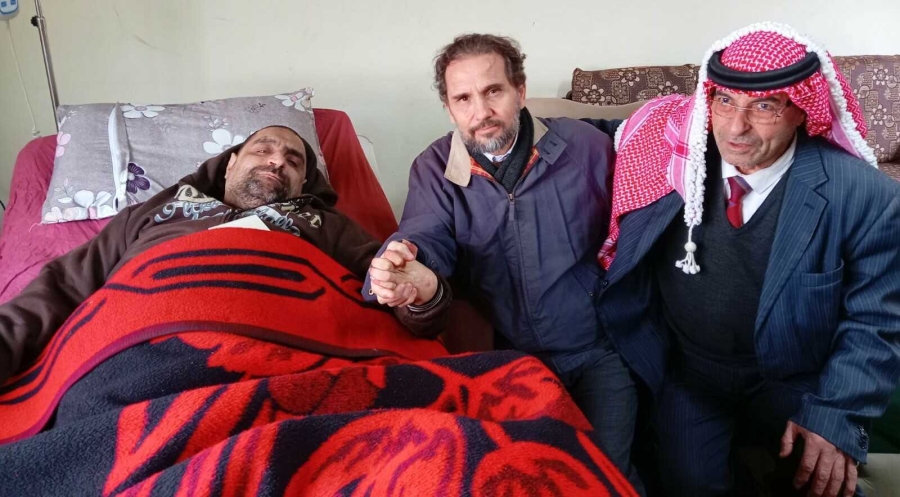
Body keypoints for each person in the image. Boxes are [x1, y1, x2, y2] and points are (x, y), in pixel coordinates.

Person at [592, 22, 900, 497]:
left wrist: (835, 413)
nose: (736, 128)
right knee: (685, 483)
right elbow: (580, 135)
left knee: (825, 485)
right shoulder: (670, 159)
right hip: (692, 375)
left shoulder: (866, 196)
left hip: (798, 380)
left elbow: (876, 320)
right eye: (725, 102)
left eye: (764, 106)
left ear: (801, 110)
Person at [362, 33, 654, 493]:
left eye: (493, 91)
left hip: (600, 350)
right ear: (449, 108)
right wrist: (405, 266)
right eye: (463, 98)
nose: (481, 111)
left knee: (606, 477)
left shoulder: (586, 147)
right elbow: (424, 234)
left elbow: (639, 219)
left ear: (520, 91)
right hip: (513, 363)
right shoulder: (434, 169)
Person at [0, 125, 447, 385]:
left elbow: (391, 288)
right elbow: (64, 285)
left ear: (303, 184)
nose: (277, 162)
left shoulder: (324, 224)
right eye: (263, 150)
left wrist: (421, 295)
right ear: (230, 163)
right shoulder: (154, 213)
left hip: (284, 361)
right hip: (137, 353)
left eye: (294, 161)